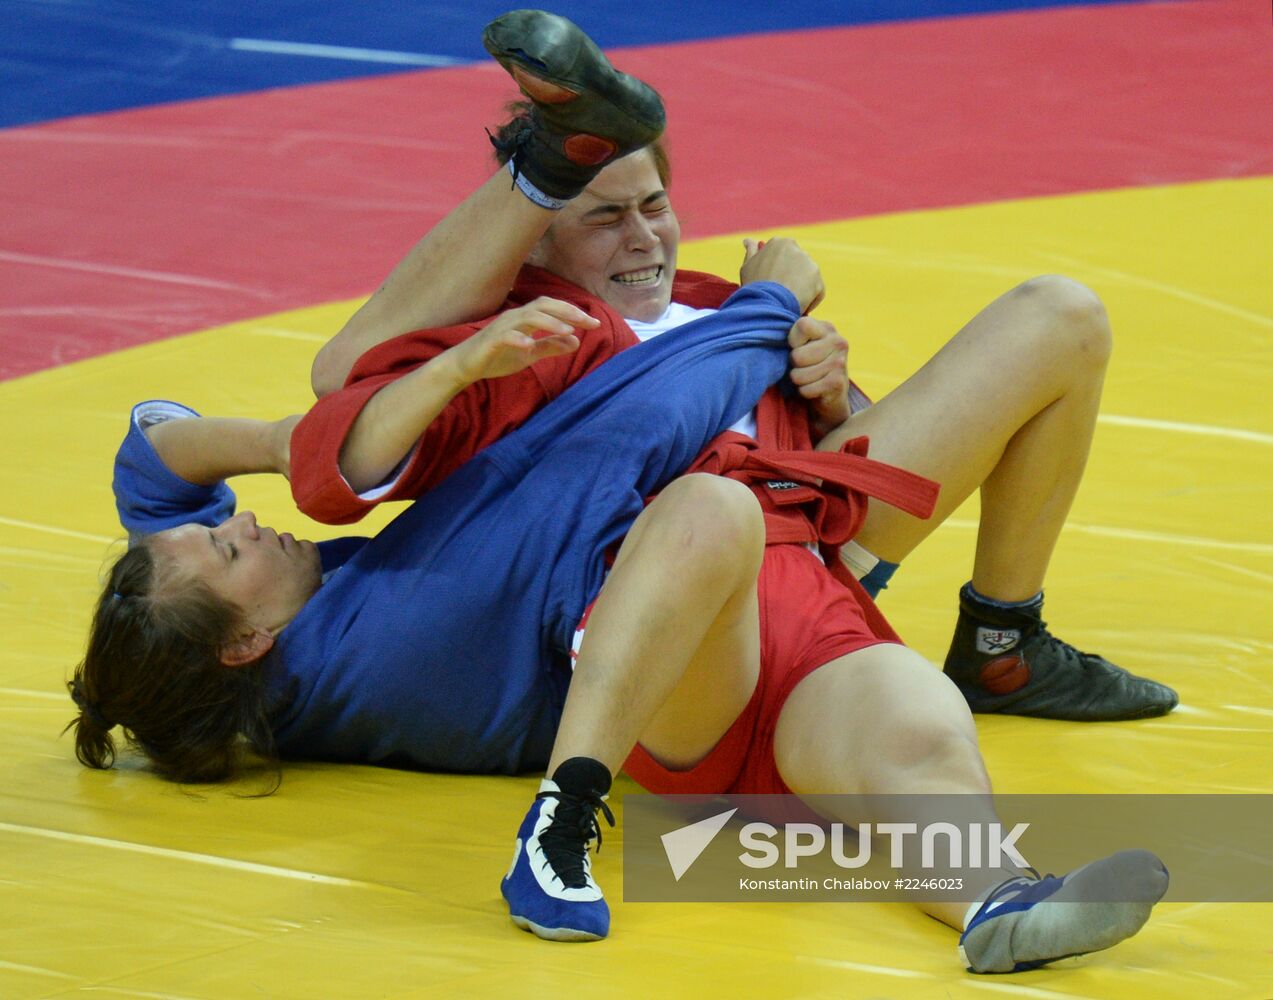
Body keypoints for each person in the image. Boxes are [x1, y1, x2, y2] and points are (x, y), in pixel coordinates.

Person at [67, 10, 1170, 974]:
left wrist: (828, 391)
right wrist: (763, 312)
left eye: (655, 204)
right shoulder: (522, 363)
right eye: (605, 214)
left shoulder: (693, 309)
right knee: (710, 523)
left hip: (804, 549)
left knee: (1056, 322)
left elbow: (156, 462)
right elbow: (362, 395)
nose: (646, 236)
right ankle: (566, 820)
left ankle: (999, 843)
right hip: (692, 616)